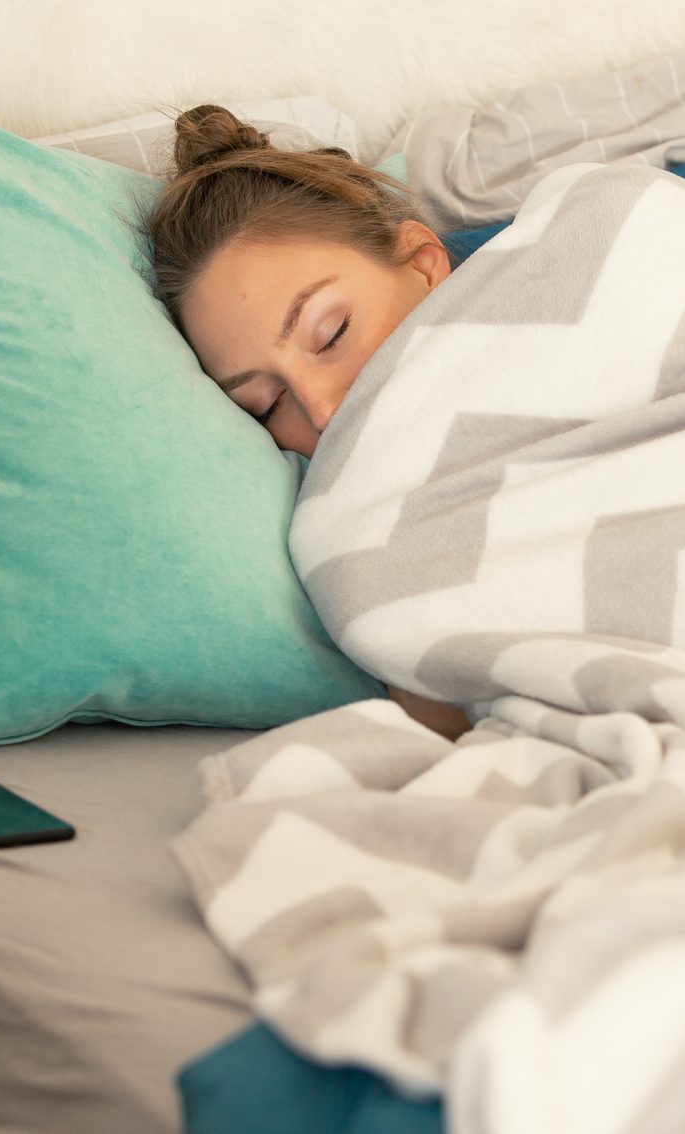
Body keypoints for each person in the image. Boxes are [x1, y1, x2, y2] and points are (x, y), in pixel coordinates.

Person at [147, 103, 468, 739]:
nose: (322, 410)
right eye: (264, 406)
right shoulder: (346, 532)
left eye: (331, 332)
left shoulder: (582, 257)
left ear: (424, 265)